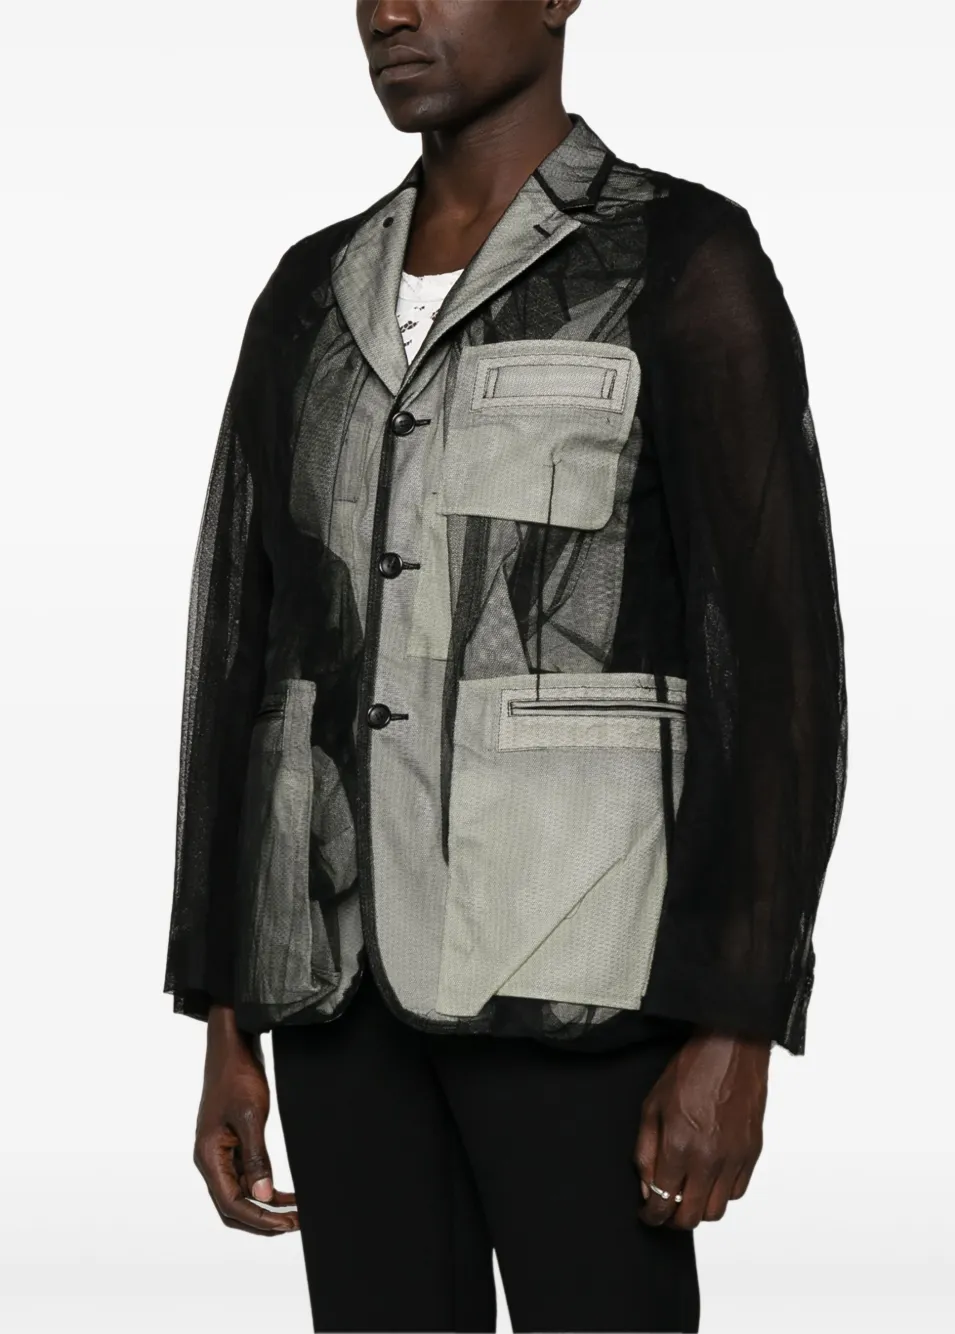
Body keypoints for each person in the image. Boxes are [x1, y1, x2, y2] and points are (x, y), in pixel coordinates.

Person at [164, 2, 848, 1330]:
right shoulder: (310, 292)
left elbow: (776, 673)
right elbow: (240, 655)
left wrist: (737, 1023)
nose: (390, 11)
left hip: (581, 971)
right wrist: (228, 1012)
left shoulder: (676, 257)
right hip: (337, 988)